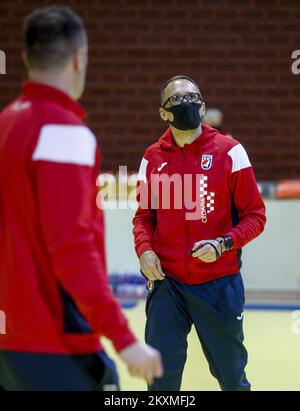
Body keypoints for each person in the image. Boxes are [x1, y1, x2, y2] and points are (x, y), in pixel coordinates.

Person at [0, 6, 162, 391]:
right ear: (79, 59)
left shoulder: (5, 124)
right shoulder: (65, 132)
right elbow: (72, 248)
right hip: (55, 344)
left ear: (25, 58)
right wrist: (124, 340)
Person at [133, 75, 266, 391]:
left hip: (219, 283)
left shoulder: (230, 152)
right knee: (160, 379)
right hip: (168, 283)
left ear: (203, 107)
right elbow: (143, 218)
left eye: (192, 97)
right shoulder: (152, 157)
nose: (185, 103)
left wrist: (223, 244)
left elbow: (256, 216)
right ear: (164, 113)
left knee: (232, 378)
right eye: (176, 100)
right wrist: (144, 250)